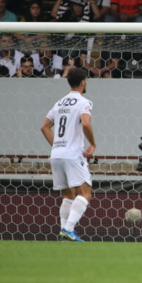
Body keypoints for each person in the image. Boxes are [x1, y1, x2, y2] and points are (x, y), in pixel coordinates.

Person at [39, 68, 96, 242]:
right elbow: (85, 123)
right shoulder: (84, 102)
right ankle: (69, 229)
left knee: (68, 196)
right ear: (83, 82)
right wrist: (93, 143)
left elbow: (44, 127)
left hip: (56, 155)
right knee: (85, 193)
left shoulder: (59, 103)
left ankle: (64, 233)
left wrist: (57, 145)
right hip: (72, 155)